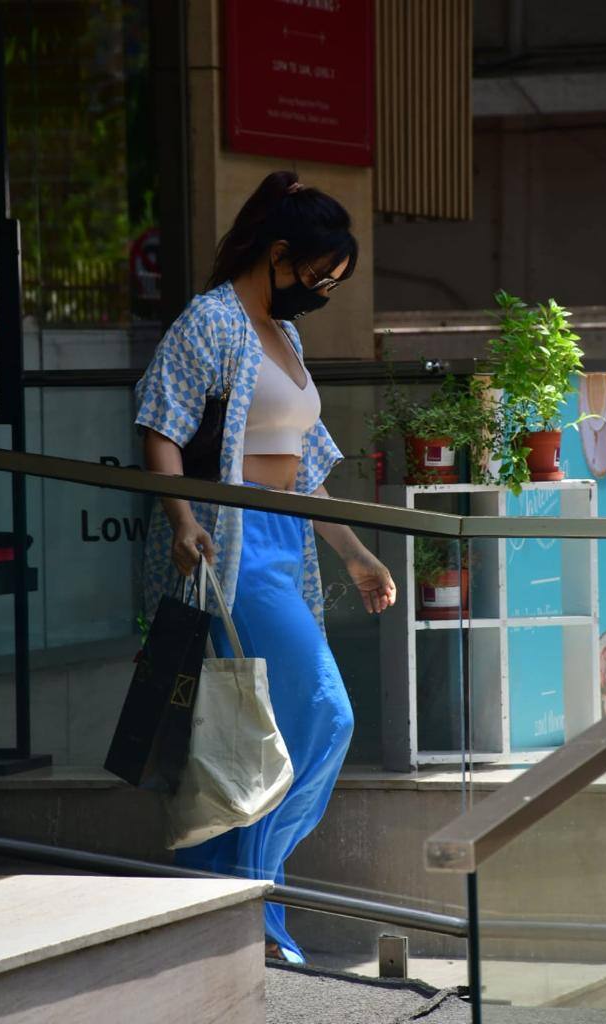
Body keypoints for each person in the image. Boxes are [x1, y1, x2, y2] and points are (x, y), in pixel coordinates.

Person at [135, 170, 396, 962]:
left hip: (284, 546)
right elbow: (160, 425)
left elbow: (305, 465)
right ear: (278, 254)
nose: (320, 294)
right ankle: (255, 903)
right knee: (322, 716)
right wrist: (183, 521)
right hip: (232, 544)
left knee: (267, 731)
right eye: (317, 278)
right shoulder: (211, 320)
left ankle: (226, 898)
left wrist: (352, 552)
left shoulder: (287, 336)